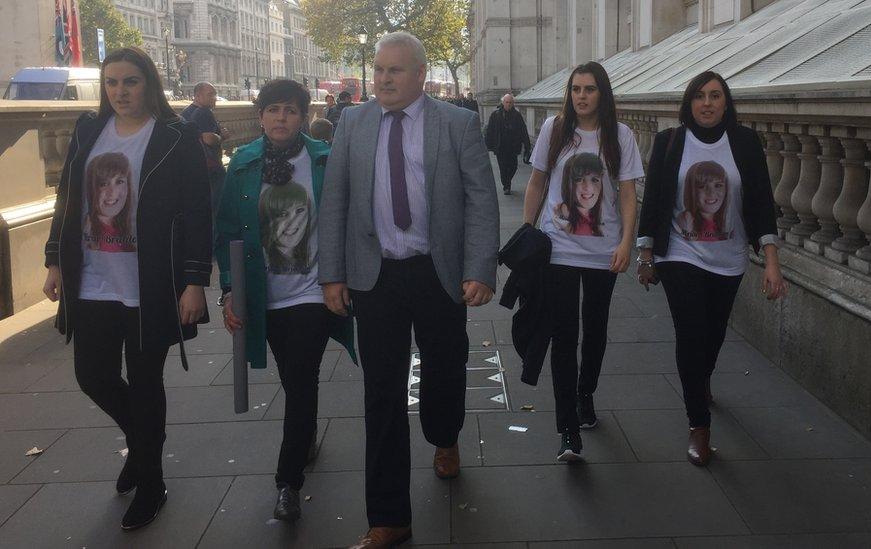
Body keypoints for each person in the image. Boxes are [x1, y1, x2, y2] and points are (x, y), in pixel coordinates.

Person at [319, 31, 499, 549]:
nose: (383, 79)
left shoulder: (457, 123)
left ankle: (445, 436)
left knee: (444, 369)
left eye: (394, 71)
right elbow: (335, 202)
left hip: (436, 271)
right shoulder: (351, 123)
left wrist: (480, 268)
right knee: (382, 394)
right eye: (378, 70)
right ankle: (389, 517)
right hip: (375, 276)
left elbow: (481, 201)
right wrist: (332, 274)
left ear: (420, 75)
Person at [42, 46, 211, 531]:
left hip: (149, 284)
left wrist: (195, 281)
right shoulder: (88, 131)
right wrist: (54, 260)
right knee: (93, 376)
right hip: (92, 279)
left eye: (130, 81)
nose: (120, 91)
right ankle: (143, 447)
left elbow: (199, 213)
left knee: (144, 382)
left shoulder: (175, 138)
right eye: (112, 82)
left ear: (149, 84)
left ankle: (152, 482)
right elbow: (67, 200)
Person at [215, 79, 356, 523]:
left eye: (291, 110)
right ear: (260, 115)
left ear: (302, 116)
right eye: (273, 109)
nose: (281, 118)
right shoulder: (241, 164)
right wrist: (227, 291)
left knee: (301, 379)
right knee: (294, 381)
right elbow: (227, 233)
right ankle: (307, 433)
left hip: (313, 293)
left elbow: (344, 221)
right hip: (263, 297)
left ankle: (287, 483)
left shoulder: (324, 159)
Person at [636, 71, 786, 466]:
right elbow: (653, 201)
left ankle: (700, 380)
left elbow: (760, 203)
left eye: (715, 96)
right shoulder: (670, 142)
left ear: (726, 102)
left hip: (729, 258)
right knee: (691, 333)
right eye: (700, 96)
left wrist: (771, 260)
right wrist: (646, 255)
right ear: (689, 102)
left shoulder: (745, 143)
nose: (707, 103)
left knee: (713, 336)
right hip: (679, 255)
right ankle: (698, 426)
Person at [522, 61, 643, 462]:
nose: (581, 96)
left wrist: (627, 241)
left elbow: (627, 193)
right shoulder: (554, 130)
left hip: (603, 252)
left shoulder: (619, 136)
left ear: (602, 94)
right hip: (558, 249)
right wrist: (528, 233)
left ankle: (585, 391)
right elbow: (537, 181)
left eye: (589, 89)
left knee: (595, 330)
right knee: (563, 336)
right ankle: (568, 430)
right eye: (575, 89)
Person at [181, 82, 229, 218]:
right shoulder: (203, 112)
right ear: (197, 96)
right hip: (211, 167)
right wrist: (222, 136)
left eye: (215, 94)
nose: (214, 98)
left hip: (193, 167)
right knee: (217, 208)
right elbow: (207, 138)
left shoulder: (186, 113)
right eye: (210, 95)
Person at [82, 152, 136, 252]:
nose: (112, 192)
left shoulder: (124, 228)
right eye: (103, 184)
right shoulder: (88, 232)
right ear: (91, 189)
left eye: (119, 182)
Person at [484, 93, 531, 195]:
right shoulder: (495, 115)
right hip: (500, 147)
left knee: (513, 166)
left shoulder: (517, 115)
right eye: (507, 102)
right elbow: (490, 131)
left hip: (513, 147)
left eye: (510, 102)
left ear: (513, 103)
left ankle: (507, 180)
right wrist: (488, 145)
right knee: (503, 167)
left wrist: (527, 146)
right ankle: (506, 186)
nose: (508, 104)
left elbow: (523, 130)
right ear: (503, 102)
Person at [552, 152, 605, 236]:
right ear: (567, 183)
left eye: (594, 180)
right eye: (579, 179)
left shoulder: (595, 214)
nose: (588, 187)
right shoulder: (565, 214)